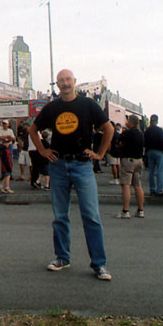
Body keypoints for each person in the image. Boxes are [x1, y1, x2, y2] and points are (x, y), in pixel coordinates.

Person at [30, 68, 114, 281]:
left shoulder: (88, 105)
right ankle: (62, 257)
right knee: (60, 216)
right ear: (57, 84)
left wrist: (100, 153)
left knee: (91, 216)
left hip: (83, 165)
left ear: (74, 82)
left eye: (68, 79)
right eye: (61, 80)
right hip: (58, 165)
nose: (65, 83)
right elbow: (33, 129)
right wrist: (42, 150)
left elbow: (108, 128)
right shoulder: (52, 107)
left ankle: (99, 264)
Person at [114, 115, 145, 219]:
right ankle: (140, 210)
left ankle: (125, 210)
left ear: (131, 122)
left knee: (126, 185)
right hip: (139, 160)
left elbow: (119, 144)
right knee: (138, 185)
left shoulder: (126, 133)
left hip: (128, 159)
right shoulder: (141, 134)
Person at [144, 114, 163, 197]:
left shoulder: (147, 130)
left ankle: (152, 189)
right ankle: (159, 190)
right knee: (160, 171)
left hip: (150, 152)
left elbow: (145, 142)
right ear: (157, 121)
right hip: (159, 152)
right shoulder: (159, 130)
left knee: (151, 171)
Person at [0, 120, 16, 194]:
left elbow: (13, 138)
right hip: (6, 165)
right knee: (7, 173)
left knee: (7, 174)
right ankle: (7, 187)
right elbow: (0, 137)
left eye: (6, 124)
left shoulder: (10, 130)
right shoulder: (5, 150)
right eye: (3, 124)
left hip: (6, 163)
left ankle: (1, 185)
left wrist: (8, 138)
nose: (4, 125)